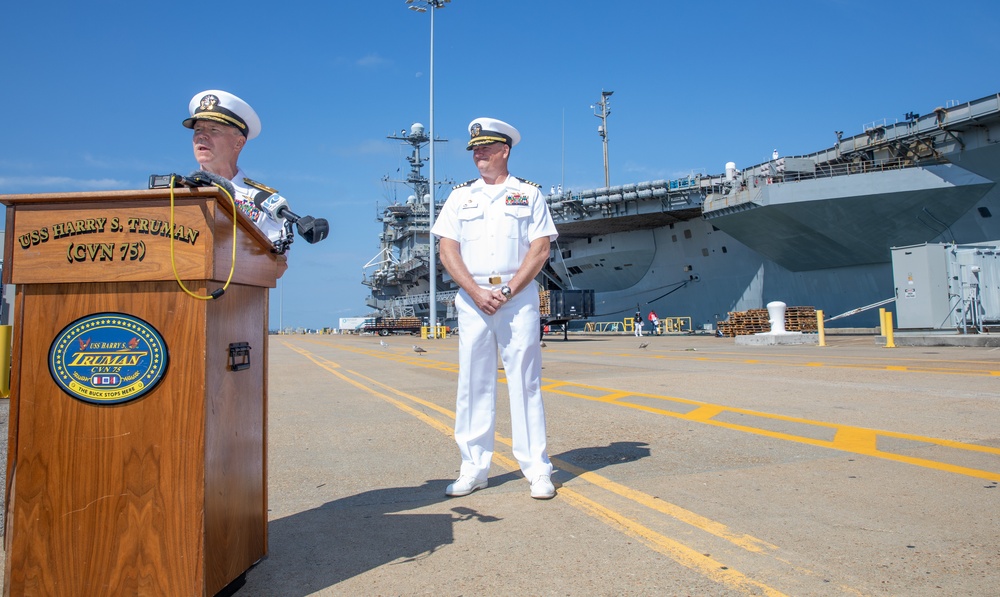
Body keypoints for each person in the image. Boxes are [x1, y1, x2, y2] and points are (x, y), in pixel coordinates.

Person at [431, 117, 557, 500]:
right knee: (473, 384)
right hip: (472, 299)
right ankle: (474, 468)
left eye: (485, 147)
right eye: (474, 149)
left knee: (526, 382)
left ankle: (537, 470)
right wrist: (474, 291)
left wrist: (506, 290)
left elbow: (540, 249)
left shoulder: (529, 194)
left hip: (516, 299)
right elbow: (447, 249)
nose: (478, 153)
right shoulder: (459, 197)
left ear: (505, 150)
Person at [183, 89, 287, 245]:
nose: (201, 136)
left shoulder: (265, 203)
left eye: (213, 129)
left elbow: (277, 263)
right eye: (198, 129)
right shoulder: (175, 194)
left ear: (239, 143)